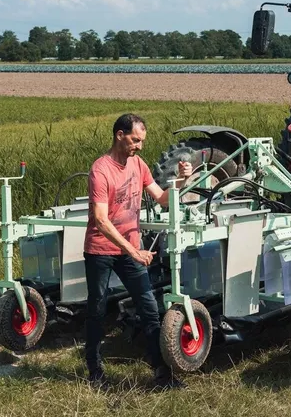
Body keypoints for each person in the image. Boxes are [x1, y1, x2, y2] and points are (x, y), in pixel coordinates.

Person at [83, 113, 192, 389]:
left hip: (130, 250)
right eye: (135, 140)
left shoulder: (138, 164)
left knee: (149, 308)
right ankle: (94, 370)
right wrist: (133, 250)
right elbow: (100, 220)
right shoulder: (101, 170)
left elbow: (164, 198)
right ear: (119, 135)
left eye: (142, 141)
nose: (139, 146)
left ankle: (162, 373)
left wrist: (180, 180)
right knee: (96, 308)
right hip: (100, 250)